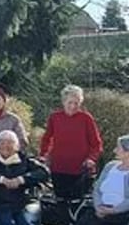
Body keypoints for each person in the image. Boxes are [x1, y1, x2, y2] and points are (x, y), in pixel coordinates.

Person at [39, 85, 102, 217]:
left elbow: (96, 144)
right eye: (70, 102)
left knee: (77, 207)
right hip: (59, 168)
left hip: (81, 170)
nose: (73, 106)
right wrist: (44, 155)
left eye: (76, 103)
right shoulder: (55, 117)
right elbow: (46, 139)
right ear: (63, 102)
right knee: (61, 206)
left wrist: (91, 159)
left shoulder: (86, 118)